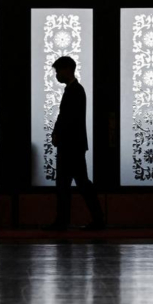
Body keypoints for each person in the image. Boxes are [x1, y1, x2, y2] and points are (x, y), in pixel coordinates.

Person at [43, 56, 105, 231]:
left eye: (58, 71)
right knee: (74, 183)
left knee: (73, 184)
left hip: (71, 146)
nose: (57, 75)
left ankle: (68, 221)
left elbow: (67, 119)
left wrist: (58, 134)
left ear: (67, 69)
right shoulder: (74, 90)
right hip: (73, 145)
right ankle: (88, 219)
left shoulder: (75, 91)